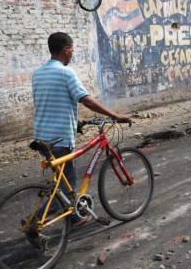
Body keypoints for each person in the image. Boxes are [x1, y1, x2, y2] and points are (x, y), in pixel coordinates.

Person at [32, 32, 130, 226]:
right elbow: (86, 100)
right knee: (64, 187)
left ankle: (73, 216)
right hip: (59, 138)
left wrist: (75, 121)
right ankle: (35, 222)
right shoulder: (66, 72)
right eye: (72, 50)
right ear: (65, 50)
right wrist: (114, 115)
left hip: (42, 136)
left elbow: (50, 102)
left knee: (63, 183)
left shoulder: (38, 73)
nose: (72, 54)